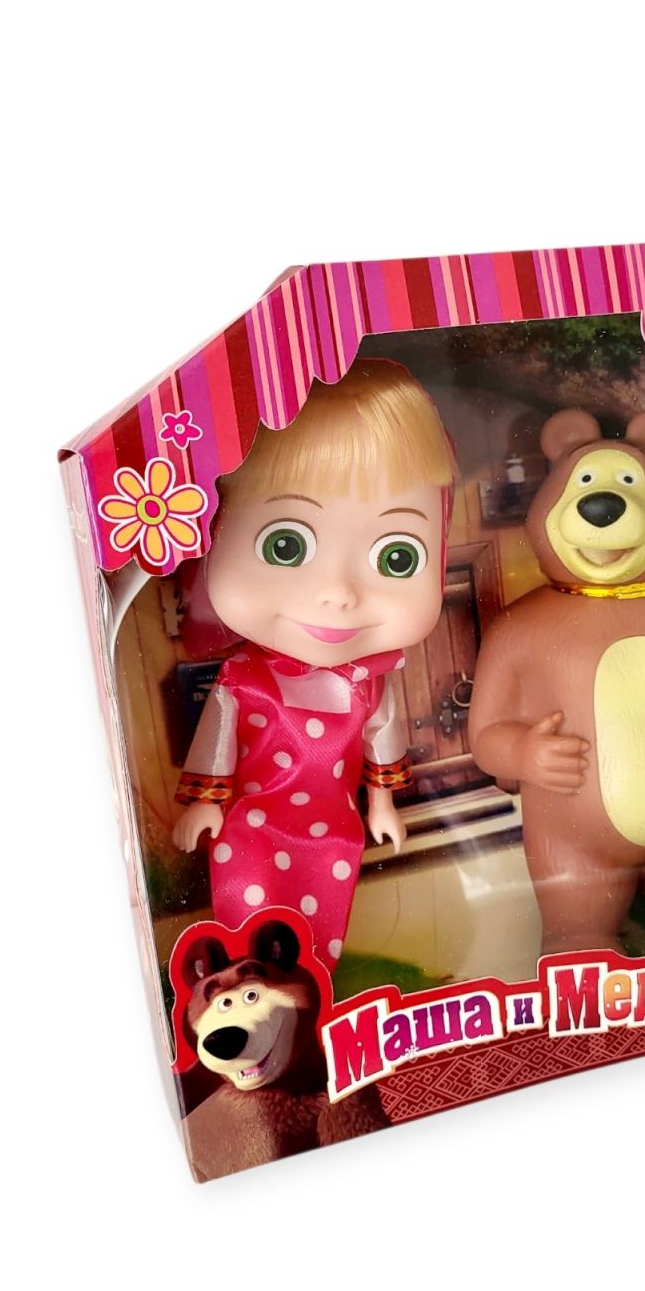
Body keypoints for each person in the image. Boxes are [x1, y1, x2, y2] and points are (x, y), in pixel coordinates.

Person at [170, 360, 454, 970]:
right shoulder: (244, 680)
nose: (338, 594)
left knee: (322, 922)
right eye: (286, 546)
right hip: (252, 822)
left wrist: (382, 805)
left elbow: (381, 743)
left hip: (335, 828)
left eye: (398, 558)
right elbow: (216, 742)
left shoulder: (368, 684)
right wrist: (205, 801)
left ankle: (312, 986)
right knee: (248, 923)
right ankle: (252, 987)